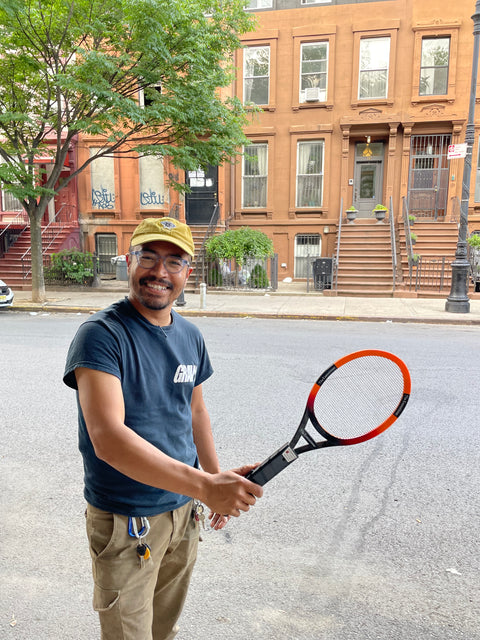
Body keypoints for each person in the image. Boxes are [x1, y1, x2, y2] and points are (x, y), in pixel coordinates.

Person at [63, 216, 263, 640]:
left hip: (181, 514)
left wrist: (212, 479)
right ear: (129, 262)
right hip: (126, 519)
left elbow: (195, 413)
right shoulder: (101, 335)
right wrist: (205, 487)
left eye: (174, 261)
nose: (159, 272)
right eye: (148, 257)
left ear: (189, 272)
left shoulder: (190, 335)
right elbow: (108, 440)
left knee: (162, 630)